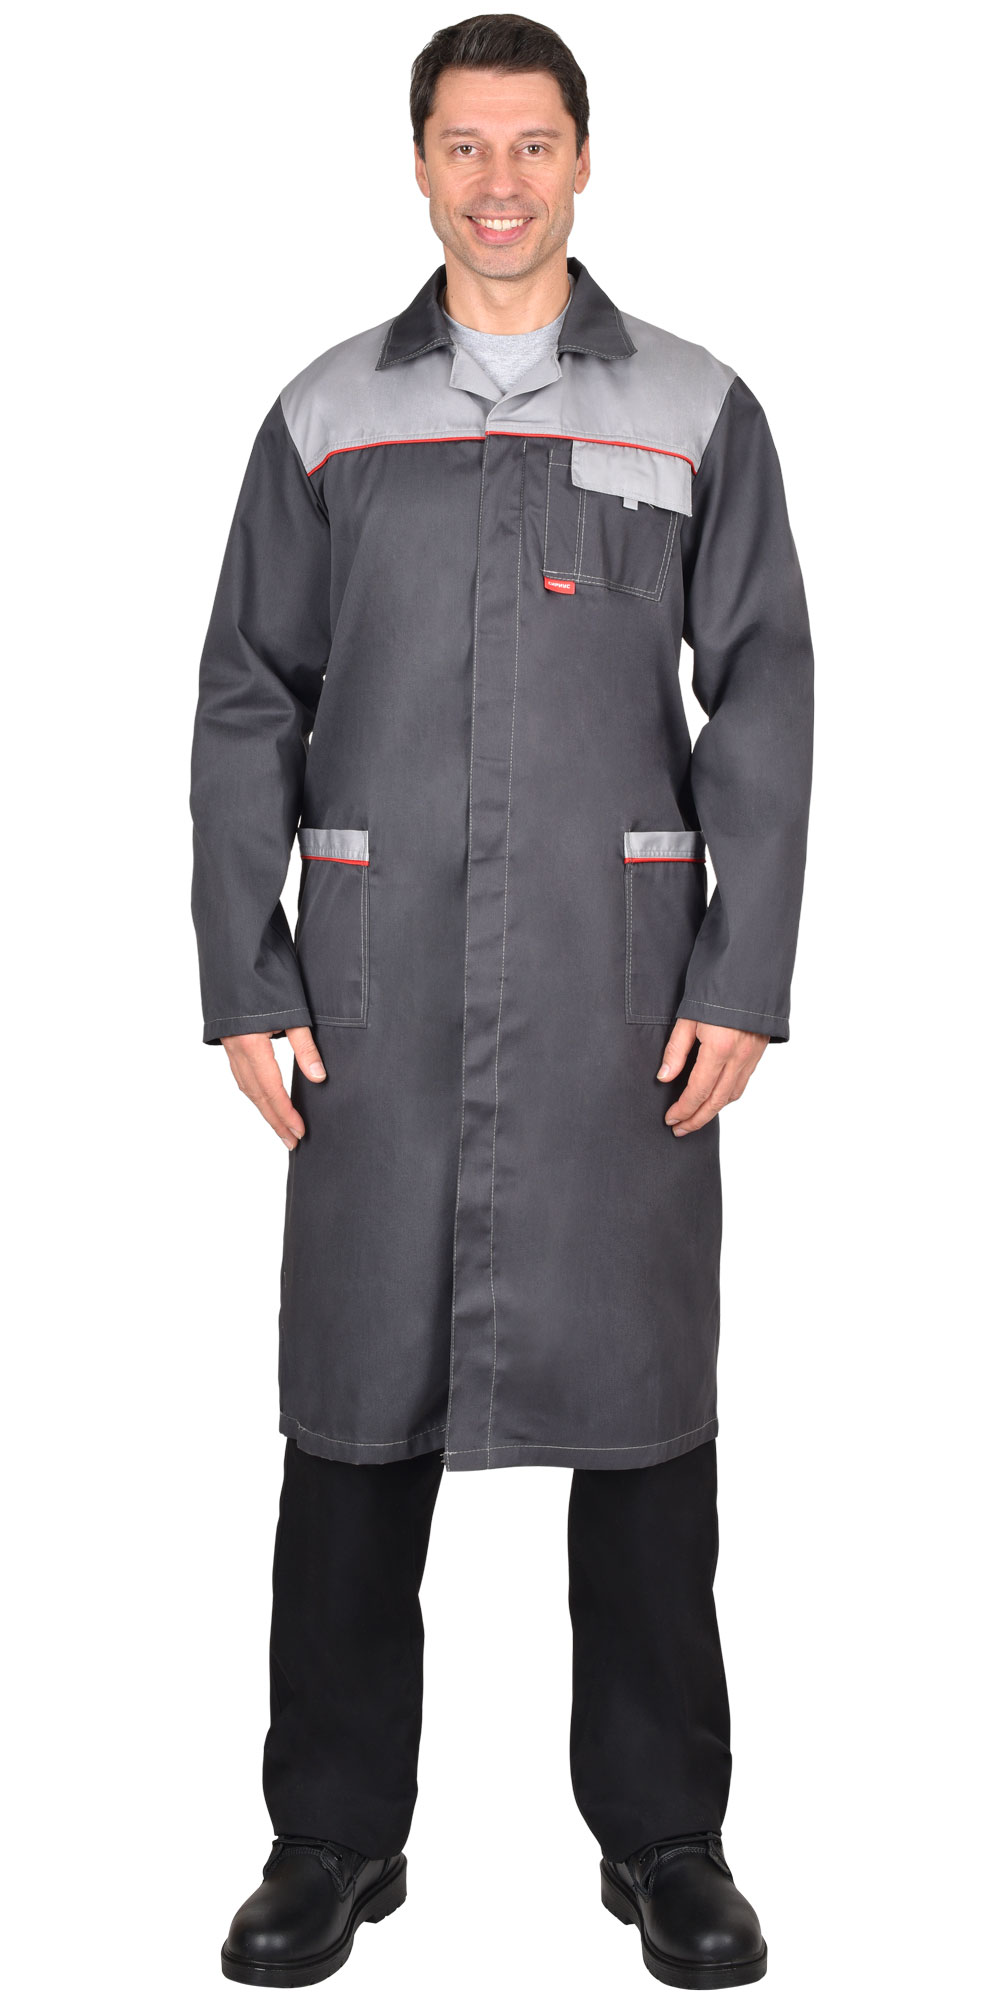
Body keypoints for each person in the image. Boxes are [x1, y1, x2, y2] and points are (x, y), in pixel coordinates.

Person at [189, 14, 813, 1989]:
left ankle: (668, 1842)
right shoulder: (325, 417)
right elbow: (244, 697)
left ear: (583, 157)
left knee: (642, 1424)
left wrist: (743, 972)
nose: (497, 181)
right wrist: (244, 977)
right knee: (350, 1414)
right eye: (462, 145)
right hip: (372, 997)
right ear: (417, 162)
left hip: (620, 1001)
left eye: (530, 143)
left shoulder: (694, 408)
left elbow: (766, 690)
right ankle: (326, 1839)